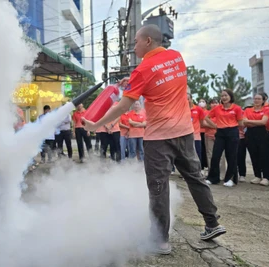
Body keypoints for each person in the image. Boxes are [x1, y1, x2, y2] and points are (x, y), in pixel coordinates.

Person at [82, 25, 225, 254]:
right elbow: (159, 79)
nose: (134, 47)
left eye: (136, 42)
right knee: (196, 178)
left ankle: (160, 240)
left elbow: (123, 105)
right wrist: (133, 80)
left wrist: (97, 124)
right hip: (185, 132)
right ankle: (212, 223)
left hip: (159, 138)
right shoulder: (176, 58)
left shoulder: (143, 70)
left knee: (158, 187)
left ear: (148, 41)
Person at [204, 89, 243, 187]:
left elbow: (240, 122)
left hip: (232, 132)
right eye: (222, 96)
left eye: (226, 95)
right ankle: (213, 178)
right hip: (220, 132)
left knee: (231, 156)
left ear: (230, 96)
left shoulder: (237, 108)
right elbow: (206, 118)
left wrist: (234, 127)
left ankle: (230, 179)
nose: (224, 98)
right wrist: (215, 125)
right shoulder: (217, 108)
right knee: (215, 156)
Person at [243, 93, 269, 186]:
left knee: (264, 155)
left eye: (259, 99)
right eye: (255, 99)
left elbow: (263, 122)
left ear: (263, 100)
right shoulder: (247, 109)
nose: (256, 100)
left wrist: (250, 121)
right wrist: (257, 122)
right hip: (250, 134)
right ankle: (257, 176)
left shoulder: (266, 109)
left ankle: (266, 177)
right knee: (253, 155)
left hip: (262, 134)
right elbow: (244, 122)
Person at [204, 99, 226, 180]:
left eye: (215, 103)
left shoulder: (221, 112)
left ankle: (222, 174)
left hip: (220, 136)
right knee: (210, 155)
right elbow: (203, 123)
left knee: (221, 156)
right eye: (212, 103)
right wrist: (216, 126)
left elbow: (223, 123)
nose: (214, 104)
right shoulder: (207, 113)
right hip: (208, 135)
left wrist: (211, 124)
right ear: (210, 105)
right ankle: (212, 173)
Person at [188, 94, 205, 163]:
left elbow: (202, 122)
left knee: (197, 154)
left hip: (196, 136)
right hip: (185, 136)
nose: (187, 101)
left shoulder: (198, 109)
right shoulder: (182, 109)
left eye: (188, 99)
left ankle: (198, 170)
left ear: (191, 99)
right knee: (187, 155)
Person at [198, 98, 209, 173]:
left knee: (206, 150)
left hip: (206, 132)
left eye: (203, 101)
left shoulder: (208, 112)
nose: (201, 103)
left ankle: (207, 165)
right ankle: (201, 166)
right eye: (200, 101)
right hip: (198, 132)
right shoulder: (197, 111)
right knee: (199, 150)